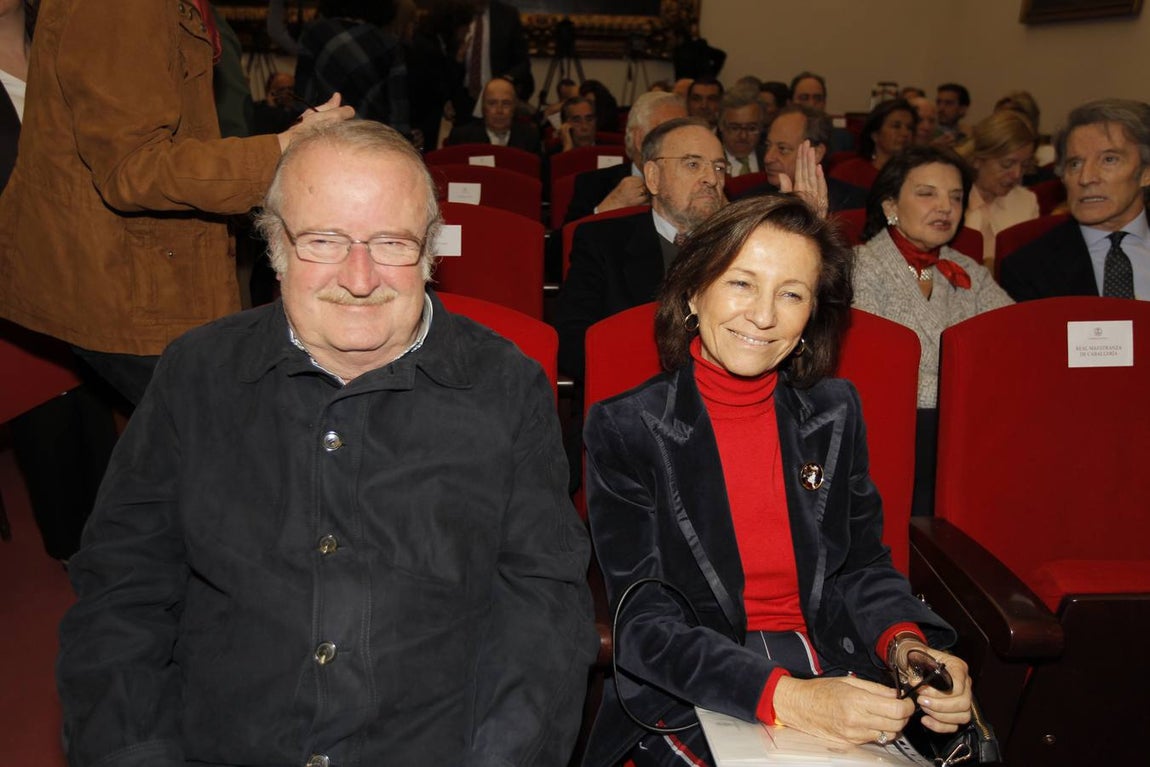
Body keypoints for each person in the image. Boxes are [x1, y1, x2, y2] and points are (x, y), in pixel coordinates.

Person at [56, 119, 597, 767]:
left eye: (391, 242)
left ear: (430, 250)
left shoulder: (506, 387)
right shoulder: (196, 374)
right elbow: (122, 592)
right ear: (275, 244)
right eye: (323, 240)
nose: (359, 278)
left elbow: (541, 615)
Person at [582, 195, 973, 766]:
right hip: (698, 686)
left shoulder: (835, 410)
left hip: (831, 662)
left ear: (812, 313)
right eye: (741, 284)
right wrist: (791, 699)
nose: (764, 316)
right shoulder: (627, 428)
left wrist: (906, 646)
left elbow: (861, 565)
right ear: (693, 292)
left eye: (791, 294)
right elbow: (643, 624)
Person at [0, 0, 353, 407]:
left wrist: (283, 144)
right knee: (228, 431)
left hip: (146, 275)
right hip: (131, 286)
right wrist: (279, 151)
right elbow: (133, 169)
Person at [853, 146, 1012, 515]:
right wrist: (965, 391)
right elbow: (880, 373)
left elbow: (1012, 342)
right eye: (927, 194)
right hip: (892, 432)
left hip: (968, 430)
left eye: (955, 197)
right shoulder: (860, 267)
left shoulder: (968, 270)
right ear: (890, 206)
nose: (945, 208)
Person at [556, 117, 726, 380]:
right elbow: (573, 344)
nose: (712, 179)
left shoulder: (739, 246)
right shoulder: (602, 242)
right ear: (653, 177)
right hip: (630, 390)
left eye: (719, 167)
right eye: (693, 164)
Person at [1001, 99, 1150, 302]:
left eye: (1109, 160)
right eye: (1075, 164)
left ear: (1146, 173)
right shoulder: (1028, 268)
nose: (1085, 178)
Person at [563, 90, 686, 223]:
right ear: (640, 140)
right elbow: (565, 235)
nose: (684, 144)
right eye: (669, 134)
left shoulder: (693, 183)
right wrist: (610, 206)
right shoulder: (593, 185)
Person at [295, 0, 410, 135]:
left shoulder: (315, 33)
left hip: (324, 131)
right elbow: (398, 108)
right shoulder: (389, 43)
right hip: (371, 135)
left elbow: (303, 96)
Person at [738, 104, 867, 213]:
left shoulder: (853, 205)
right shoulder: (749, 204)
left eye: (783, 149)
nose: (767, 158)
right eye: (768, 146)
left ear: (816, 153)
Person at [957, 109, 1039, 269]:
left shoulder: (1026, 201)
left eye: (1024, 165)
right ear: (977, 159)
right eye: (1007, 164)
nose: (1017, 174)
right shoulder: (950, 199)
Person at [458, 0, 533, 120]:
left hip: (498, 99)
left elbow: (523, 62)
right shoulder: (456, 12)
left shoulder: (507, 15)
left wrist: (506, 80)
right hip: (462, 98)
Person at [830, 98, 916, 191]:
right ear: (875, 134)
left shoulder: (917, 172)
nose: (905, 133)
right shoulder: (848, 173)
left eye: (910, 128)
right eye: (896, 126)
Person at [445, 75, 541, 152]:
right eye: (492, 103)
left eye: (506, 104)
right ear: (483, 107)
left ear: (514, 107)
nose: (499, 111)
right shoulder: (462, 137)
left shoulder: (530, 137)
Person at [718, 88, 764, 176]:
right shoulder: (709, 160)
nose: (743, 136)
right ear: (721, 125)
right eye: (735, 128)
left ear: (761, 127)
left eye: (751, 128)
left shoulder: (771, 160)